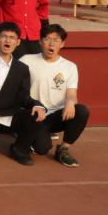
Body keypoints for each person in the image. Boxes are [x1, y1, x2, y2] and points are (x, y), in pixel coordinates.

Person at [20, 24, 90, 167]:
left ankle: (63, 149)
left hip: (56, 115)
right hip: (35, 114)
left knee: (82, 111)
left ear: (62, 44)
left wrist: (70, 102)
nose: (51, 44)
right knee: (41, 148)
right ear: (40, 41)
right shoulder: (27, 60)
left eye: (56, 40)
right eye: (47, 39)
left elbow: (72, 94)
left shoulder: (70, 67)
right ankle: (32, 138)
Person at [0, 23, 44, 166]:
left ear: (18, 42)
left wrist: (37, 105)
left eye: (12, 37)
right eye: (4, 36)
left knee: (35, 115)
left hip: (9, 116)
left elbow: (24, 96)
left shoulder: (22, 68)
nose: (8, 40)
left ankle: (19, 150)